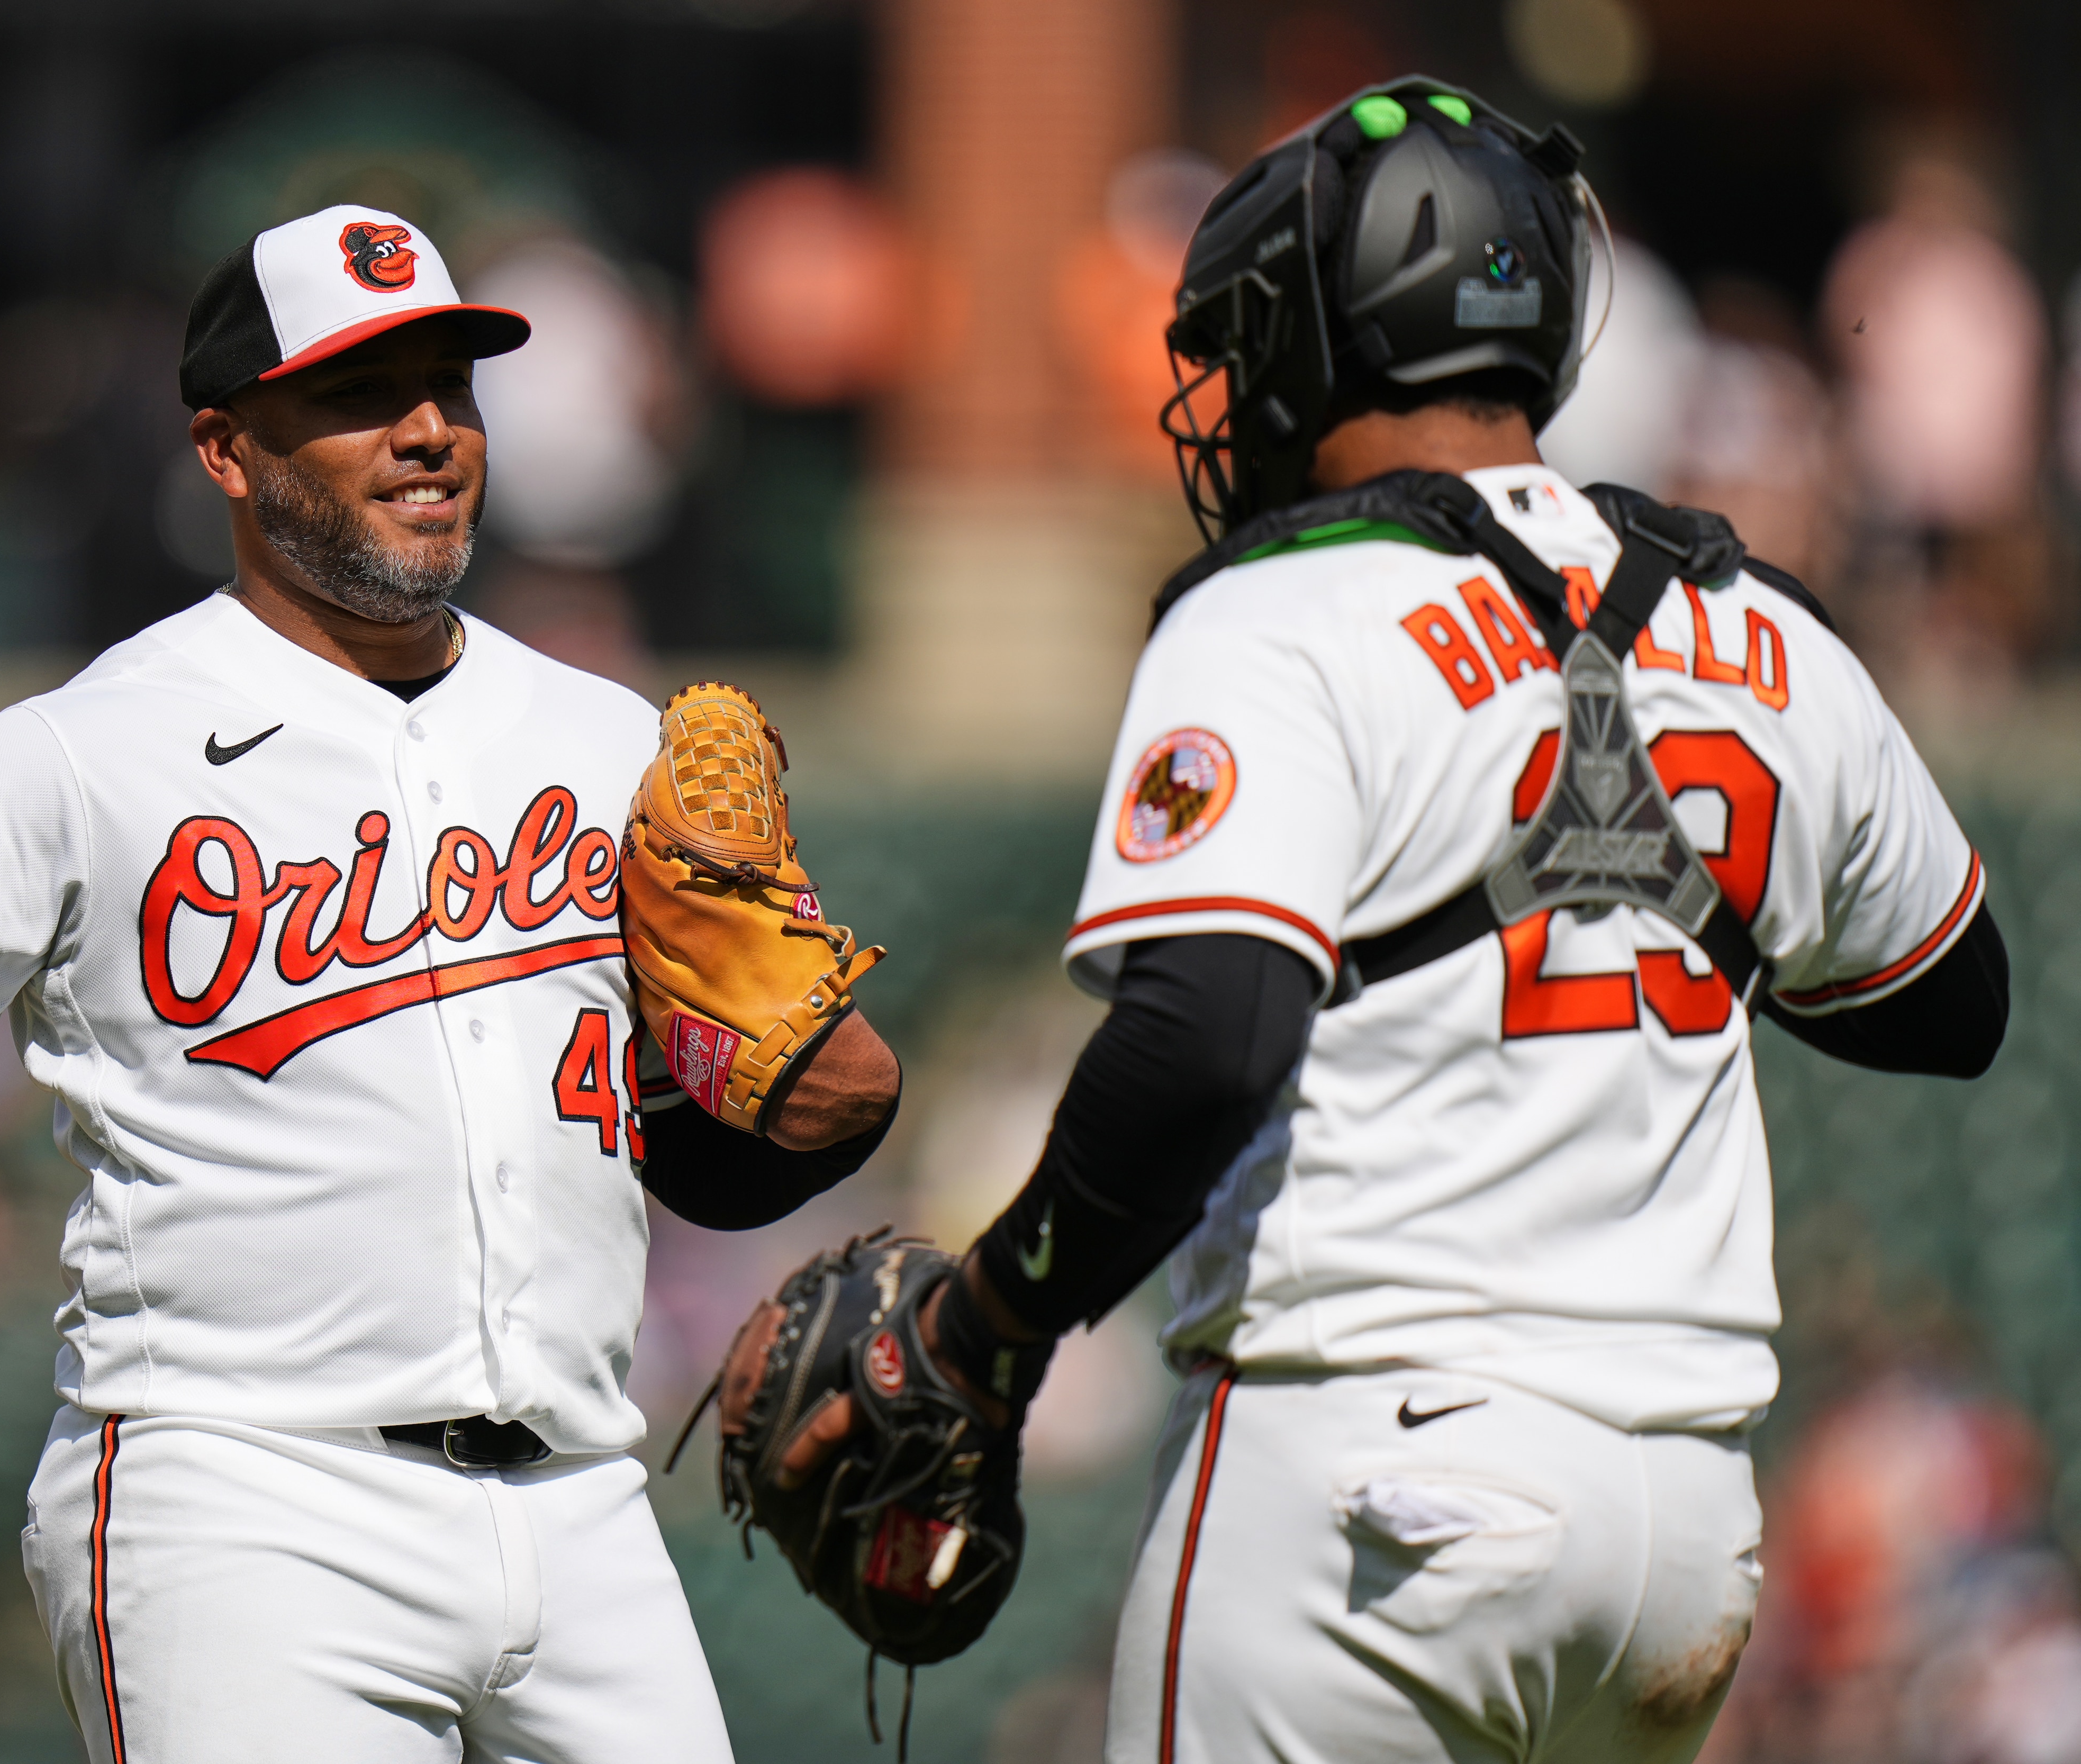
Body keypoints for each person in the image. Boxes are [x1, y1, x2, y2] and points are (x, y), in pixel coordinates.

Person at [0, 204, 902, 1763]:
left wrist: (817, 1115)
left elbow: (692, 1156)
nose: (430, 429)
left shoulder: (608, 742)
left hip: (581, 1509)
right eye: (364, 392)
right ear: (229, 450)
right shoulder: (83, 752)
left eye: (453, 383)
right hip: (244, 1509)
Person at [748, 79, 2009, 1764]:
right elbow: (1957, 1000)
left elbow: (1207, 1036)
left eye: (1254, 327)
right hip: (1681, 1537)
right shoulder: (1757, 613)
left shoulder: (1281, 609)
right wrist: (1647, 898)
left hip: (1367, 1500)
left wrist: (987, 1331)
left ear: (1328, 336)